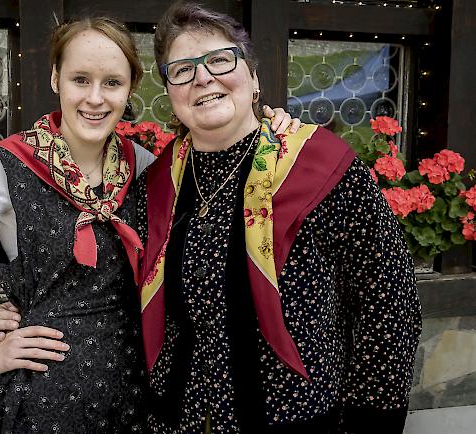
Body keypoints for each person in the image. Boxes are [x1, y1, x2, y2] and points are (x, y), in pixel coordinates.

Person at [0, 14, 298, 434]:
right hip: (44, 401)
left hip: (136, 395)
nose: (95, 98)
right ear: (56, 78)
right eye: (81, 79)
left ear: (130, 88)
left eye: (112, 83)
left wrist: (273, 128)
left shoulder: (147, 167)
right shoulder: (6, 169)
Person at [137, 3, 421, 433]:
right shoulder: (158, 182)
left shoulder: (322, 167)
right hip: (181, 419)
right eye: (182, 69)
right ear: (171, 93)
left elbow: (389, 304)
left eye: (219, 59)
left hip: (295, 418)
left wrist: (370, 422)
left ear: (253, 78)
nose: (202, 77)